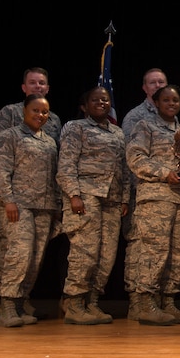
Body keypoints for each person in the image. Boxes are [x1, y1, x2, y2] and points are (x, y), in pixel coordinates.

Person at [0, 67, 63, 321]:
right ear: (24, 111)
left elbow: (56, 170)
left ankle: (20, 302)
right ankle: (7, 304)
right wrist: (4, 196)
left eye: (44, 111)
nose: (40, 114)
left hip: (44, 205)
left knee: (35, 258)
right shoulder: (10, 131)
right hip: (18, 203)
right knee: (18, 253)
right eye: (35, 110)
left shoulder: (50, 136)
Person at [125, 84, 180, 326]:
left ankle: (167, 300)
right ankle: (145, 302)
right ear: (156, 103)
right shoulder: (145, 126)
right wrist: (164, 172)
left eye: (175, 101)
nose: (171, 104)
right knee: (153, 251)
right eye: (166, 100)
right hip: (155, 199)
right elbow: (135, 158)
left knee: (179, 252)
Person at [56, 86, 130, 325]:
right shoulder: (75, 128)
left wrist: (124, 198)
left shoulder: (118, 133)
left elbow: (124, 169)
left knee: (106, 255)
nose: (102, 103)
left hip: (111, 199)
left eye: (105, 100)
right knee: (85, 253)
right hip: (85, 196)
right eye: (95, 100)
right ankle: (74, 303)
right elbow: (66, 164)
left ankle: (92, 302)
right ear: (84, 106)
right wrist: (73, 195)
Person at [121, 67, 168, 320]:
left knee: (157, 248)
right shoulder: (136, 116)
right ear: (144, 87)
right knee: (139, 246)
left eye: (162, 81)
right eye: (153, 82)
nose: (158, 85)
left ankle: (153, 300)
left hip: (163, 195)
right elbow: (130, 157)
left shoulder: (170, 114)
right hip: (140, 191)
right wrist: (128, 194)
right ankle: (135, 301)